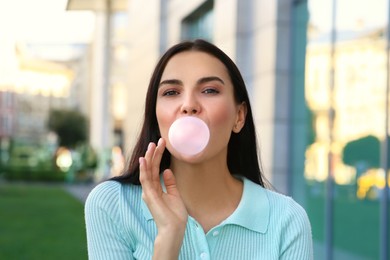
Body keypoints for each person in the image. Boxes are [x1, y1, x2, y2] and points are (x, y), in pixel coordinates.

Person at [85, 39, 313, 259]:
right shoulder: (113, 205)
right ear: (156, 116)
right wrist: (168, 237)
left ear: (239, 116)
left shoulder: (287, 220)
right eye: (171, 92)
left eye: (210, 90)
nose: (189, 105)